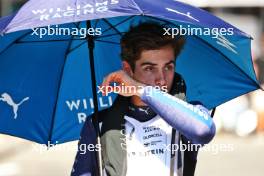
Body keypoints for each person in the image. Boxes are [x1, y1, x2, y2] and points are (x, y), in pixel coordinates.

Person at [71, 22, 216, 176]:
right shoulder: (98, 123)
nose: (161, 79)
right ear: (128, 69)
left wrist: (140, 89)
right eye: (149, 68)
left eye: (168, 67)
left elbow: (203, 131)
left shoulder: (188, 113)